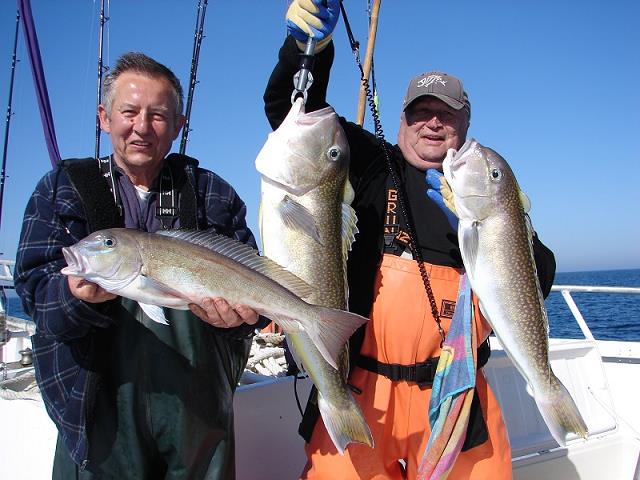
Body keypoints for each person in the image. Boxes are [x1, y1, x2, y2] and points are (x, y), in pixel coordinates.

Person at [265, 2, 557, 479]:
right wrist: (307, 47)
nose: (433, 123)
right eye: (421, 113)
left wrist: (499, 219)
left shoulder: (486, 189)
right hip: (361, 390)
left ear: (466, 126)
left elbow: (538, 276)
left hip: (457, 396)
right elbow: (295, 116)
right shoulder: (371, 162)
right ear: (401, 121)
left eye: (447, 115)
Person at [14, 52, 265, 479]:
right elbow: (37, 293)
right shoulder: (63, 188)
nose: (142, 127)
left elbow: (250, 300)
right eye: (128, 112)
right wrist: (75, 299)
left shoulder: (212, 195)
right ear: (104, 117)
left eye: (159, 115)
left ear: (179, 125)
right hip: (95, 411)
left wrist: (240, 319)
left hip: (196, 418)